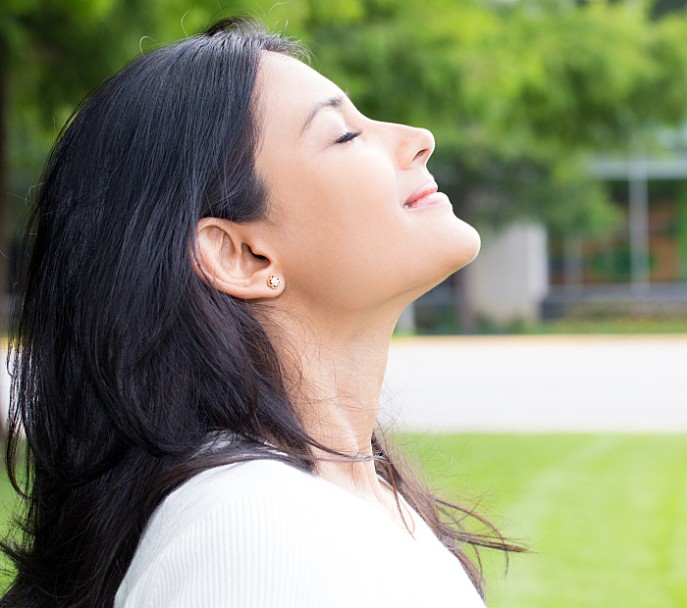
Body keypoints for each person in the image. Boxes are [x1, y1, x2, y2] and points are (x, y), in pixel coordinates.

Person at [1, 17, 522, 608]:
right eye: (344, 135)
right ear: (240, 254)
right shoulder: (251, 529)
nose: (419, 137)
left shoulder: (352, 498)